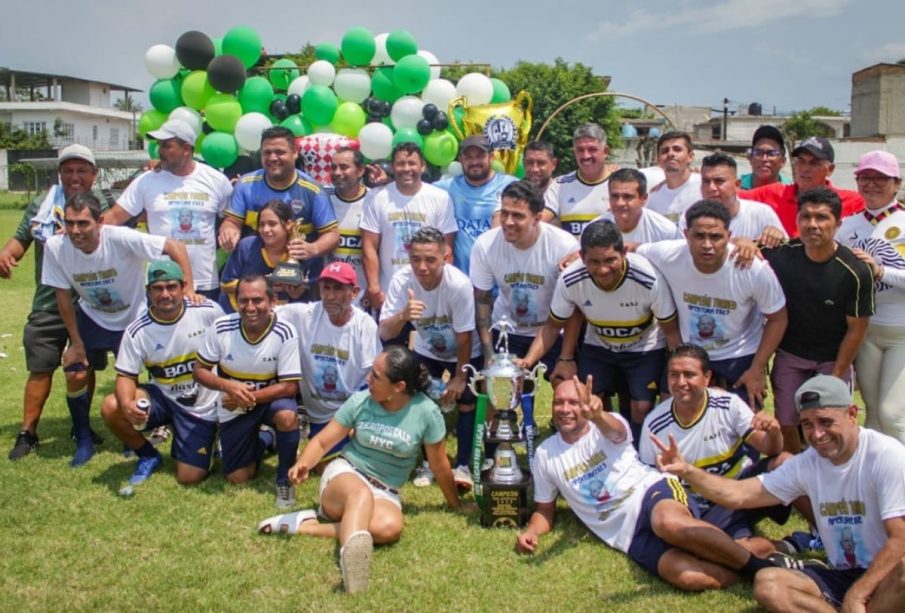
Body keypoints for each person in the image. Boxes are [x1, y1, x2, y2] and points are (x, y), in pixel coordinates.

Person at [652, 375, 905, 611]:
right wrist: (687, 471)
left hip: (888, 570)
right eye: (807, 424)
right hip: (842, 572)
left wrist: (858, 593)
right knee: (767, 583)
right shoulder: (809, 462)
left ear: (852, 415)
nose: (817, 434)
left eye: (826, 422)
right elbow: (738, 495)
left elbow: (900, 539)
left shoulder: (885, 455)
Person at [516, 375, 785, 591]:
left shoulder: (607, 426)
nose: (565, 410)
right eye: (558, 403)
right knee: (689, 576)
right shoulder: (545, 454)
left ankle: (755, 569)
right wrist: (533, 532)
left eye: (573, 403)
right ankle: (772, 552)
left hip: (650, 493)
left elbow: (617, 431)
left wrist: (597, 416)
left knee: (669, 524)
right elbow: (545, 510)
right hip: (627, 534)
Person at [256, 346, 469, 594]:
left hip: (386, 491)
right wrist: (304, 463)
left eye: (376, 376)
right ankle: (352, 564)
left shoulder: (426, 412)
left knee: (388, 528)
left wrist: (455, 504)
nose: (368, 379)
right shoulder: (361, 400)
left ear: (398, 386)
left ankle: (306, 525)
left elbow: (439, 465)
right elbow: (324, 441)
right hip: (346, 475)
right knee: (360, 495)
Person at [42, 192, 195, 466]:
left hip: (132, 318)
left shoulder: (120, 238)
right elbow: (62, 296)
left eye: (83, 224)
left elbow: (175, 246)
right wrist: (75, 343)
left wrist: (189, 287)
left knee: (129, 380)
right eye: (71, 223)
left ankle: (131, 435)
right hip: (93, 316)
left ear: (100, 221)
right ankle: (83, 435)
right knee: (76, 372)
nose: (75, 231)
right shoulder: (55, 246)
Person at [521, 219, 680, 442]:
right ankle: (596, 451)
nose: (603, 269)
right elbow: (552, 327)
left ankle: (636, 453)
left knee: (642, 407)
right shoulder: (570, 278)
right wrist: (527, 362)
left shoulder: (648, 278)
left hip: (644, 347)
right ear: (582, 256)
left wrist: (676, 373)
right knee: (587, 403)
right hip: (599, 345)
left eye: (610, 260)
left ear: (624, 252)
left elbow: (672, 333)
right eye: (594, 262)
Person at [0, 144, 110, 460]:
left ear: (93, 174)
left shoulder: (103, 204)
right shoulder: (42, 204)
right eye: (68, 170)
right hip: (49, 302)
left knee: (83, 366)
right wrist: (7, 255)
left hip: (89, 303)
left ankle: (81, 426)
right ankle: (27, 432)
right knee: (41, 367)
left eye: (81, 170)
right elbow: (20, 240)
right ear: (59, 173)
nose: (75, 176)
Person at [639, 345, 797, 556]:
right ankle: (789, 545)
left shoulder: (728, 404)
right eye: (673, 375)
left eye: (689, 375)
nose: (680, 382)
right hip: (699, 508)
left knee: (787, 462)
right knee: (737, 551)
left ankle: (821, 531)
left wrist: (775, 432)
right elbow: (647, 484)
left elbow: (770, 449)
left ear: (707, 377)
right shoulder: (654, 424)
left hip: (742, 493)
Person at [638, 200, 788, 409]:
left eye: (715, 237)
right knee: (670, 411)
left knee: (744, 426)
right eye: (699, 236)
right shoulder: (667, 254)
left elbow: (778, 318)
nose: (707, 244)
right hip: (688, 352)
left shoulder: (752, 268)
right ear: (685, 234)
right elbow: (630, 250)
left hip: (739, 355)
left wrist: (756, 369)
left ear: (729, 235)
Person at [762, 187, 875, 454]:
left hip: (832, 357)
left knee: (834, 424)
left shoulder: (855, 271)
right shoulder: (781, 255)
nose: (812, 224)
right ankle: (797, 481)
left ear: (838, 224)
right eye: (806, 216)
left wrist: (837, 375)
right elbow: (740, 251)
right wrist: (746, 242)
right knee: (787, 422)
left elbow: (856, 329)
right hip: (791, 353)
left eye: (822, 218)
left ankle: (840, 475)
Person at [100, 261, 224, 485]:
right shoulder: (137, 331)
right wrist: (128, 404)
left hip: (204, 406)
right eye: (157, 288)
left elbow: (232, 351)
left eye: (171, 287)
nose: (165, 294)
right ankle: (148, 454)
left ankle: (214, 434)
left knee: (189, 477)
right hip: (164, 398)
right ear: (148, 292)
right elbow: (126, 376)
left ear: (183, 287)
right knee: (112, 406)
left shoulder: (208, 312)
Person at [379, 227, 482, 488]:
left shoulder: (458, 285)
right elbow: (384, 331)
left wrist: (460, 377)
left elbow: (464, 338)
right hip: (428, 348)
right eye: (415, 259)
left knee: (467, 400)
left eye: (430, 260)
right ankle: (428, 463)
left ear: (445, 257)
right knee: (421, 399)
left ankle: (462, 465)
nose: (422, 267)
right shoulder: (402, 281)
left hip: (467, 349)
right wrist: (403, 316)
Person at [194, 275, 302, 508]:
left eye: (257, 300)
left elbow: (290, 387)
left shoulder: (285, 331)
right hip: (232, 404)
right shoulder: (222, 327)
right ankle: (266, 439)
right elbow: (200, 371)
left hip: (269, 402)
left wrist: (245, 397)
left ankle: (284, 480)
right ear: (235, 301)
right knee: (238, 477)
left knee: (287, 416)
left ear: (273, 301)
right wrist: (228, 386)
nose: (250, 307)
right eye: (243, 300)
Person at [102, 119, 232, 300]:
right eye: (159, 146)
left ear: (186, 149)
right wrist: (80, 228)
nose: (160, 151)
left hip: (204, 281)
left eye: (166, 146)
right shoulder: (147, 180)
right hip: (162, 282)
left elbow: (232, 218)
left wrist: (228, 228)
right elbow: (114, 217)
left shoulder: (216, 180)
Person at [277, 262, 381, 465]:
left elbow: (373, 377)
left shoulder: (364, 325)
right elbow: (265, 313)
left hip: (351, 413)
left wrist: (353, 418)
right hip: (319, 415)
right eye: (326, 288)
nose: (331, 296)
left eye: (338, 288)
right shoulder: (304, 315)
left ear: (354, 292)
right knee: (324, 467)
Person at [470, 180, 579, 372]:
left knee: (565, 386)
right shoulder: (485, 245)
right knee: (497, 389)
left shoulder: (563, 245)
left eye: (518, 215)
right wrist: (489, 356)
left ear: (537, 218)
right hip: (506, 329)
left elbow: (573, 305)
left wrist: (566, 357)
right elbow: (482, 302)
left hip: (552, 329)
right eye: (504, 213)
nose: (508, 222)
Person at [220, 126, 339, 294]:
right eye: (267, 153)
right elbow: (232, 222)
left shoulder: (313, 191)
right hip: (253, 281)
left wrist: (313, 249)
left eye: (280, 152)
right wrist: (228, 232)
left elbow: (332, 235)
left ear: (295, 152)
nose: (273, 158)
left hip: (297, 284)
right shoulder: (246, 185)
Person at [838, 150, 905, 444]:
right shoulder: (848, 226)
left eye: (881, 178)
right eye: (866, 177)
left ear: (896, 184)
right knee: (874, 416)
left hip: (901, 331)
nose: (872, 184)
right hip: (864, 331)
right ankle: (880, 481)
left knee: (893, 415)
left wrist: (880, 272)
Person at [360, 142, 457, 312]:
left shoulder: (440, 198)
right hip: (389, 295)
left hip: (429, 295)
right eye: (400, 164)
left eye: (412, 163)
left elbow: (446, 250)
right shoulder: (377, 197)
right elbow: (369, 246)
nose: (406, 168)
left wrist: (440, 290)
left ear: (422, 166)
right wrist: (374, 288)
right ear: (393, 166)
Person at [542, 123, 663, 236]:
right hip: (574, 258)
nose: (586, 156)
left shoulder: (624, 183)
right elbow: (540, 222)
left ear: (605, 151)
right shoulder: (560, 184)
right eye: (580, 150)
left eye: (592, 149)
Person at [740, 137, 863, 238]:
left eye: (814, 163)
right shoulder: (772, 193)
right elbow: (729, 198)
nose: (805, 168)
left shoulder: (853, 202)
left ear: (830, 169)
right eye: (801, 161)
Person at [434, 135, 516, 273]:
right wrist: (388, 180)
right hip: (462, 280)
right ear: (461, 160)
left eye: (480, 156)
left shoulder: (511, 185)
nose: (474, 162)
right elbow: (416, 189)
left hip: (500, 279)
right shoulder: (448, 187)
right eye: (468, 157)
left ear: (491, 156)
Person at [218, 199, 303, 312]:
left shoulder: (298, 250)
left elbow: (298, 295)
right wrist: (264, 284)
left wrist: (295, 289)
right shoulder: (247, 246)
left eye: (272, 224)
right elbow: (225, 284)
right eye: (262, 225)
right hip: (236, 312)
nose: (266, 230)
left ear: (288, 225)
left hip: (280, 314)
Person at [693, 152, 787, 243]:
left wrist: (777, 237)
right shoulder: (691, 217)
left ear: (737, 185)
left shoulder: (762, 214)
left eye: (719, 181)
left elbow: (786, 252)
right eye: (706, 181)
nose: (711, 188)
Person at [595, 168, 682, 248]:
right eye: (614, 196)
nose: (619, 203)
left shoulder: (665, 232)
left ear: (643, 199)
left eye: (627, 196)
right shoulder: (594, 229)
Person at [324, 148, 369, 292]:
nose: (337, 172)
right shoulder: (322, 197)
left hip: (362, 291)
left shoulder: (374, 199)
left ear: (360, 171)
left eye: (344, 167)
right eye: (333, 167)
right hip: (329, 289)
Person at [646, 131, 703, 223]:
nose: (670, 154)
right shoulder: (652, 197)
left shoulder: (705, 187)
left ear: (690, 156)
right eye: (665, 151)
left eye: (677, 149)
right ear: (658, 159)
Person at [740, 125, 791, 190]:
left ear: (782, 161)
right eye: (758, 153)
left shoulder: (792, 191)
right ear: (750, 159)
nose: (764, 159)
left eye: (771, 154)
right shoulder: (735, 188)